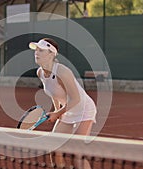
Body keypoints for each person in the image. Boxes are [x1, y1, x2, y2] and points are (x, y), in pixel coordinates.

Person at [29, 38, 97, 168]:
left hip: (84, 109)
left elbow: (76, 99)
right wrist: (57, 111)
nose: (36, 52)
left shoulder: (62, 72)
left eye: (41, 50)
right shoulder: (40, 73)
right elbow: (53, 93)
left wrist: (58, 113)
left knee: (77, 153)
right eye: (36, 50)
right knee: (55, 149)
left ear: (51, 54)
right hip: (68, 110)